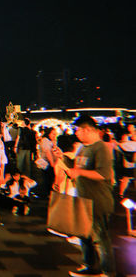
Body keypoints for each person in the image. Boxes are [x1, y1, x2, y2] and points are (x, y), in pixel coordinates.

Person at [67, 115, 115, 277]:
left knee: (101, 237)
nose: (77, 133)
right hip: (83, 198)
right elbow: (76, 170)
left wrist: (79, 171)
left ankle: (108, 271)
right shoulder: (83, 148)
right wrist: (61, 157)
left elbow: (103, 174)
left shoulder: (101, 148)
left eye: (78, 130)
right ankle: (89, 266)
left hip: (98, 200)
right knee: (85, 235)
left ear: (87, 129)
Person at [38, 127, 59, 197]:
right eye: (53, 134)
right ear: (48, 134)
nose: (54, 136)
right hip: (47, 163)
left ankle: (48, 193)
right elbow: (48, 152)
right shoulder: (45, 140)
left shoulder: (50, 141)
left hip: (50, 163)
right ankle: (47, 194)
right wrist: (52, 163)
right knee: (47, 179)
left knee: (49, 178)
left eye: (55, 134)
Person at [117, 129, 135, 198]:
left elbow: (118, 147)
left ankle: (121, 193)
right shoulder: (134, 144)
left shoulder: (122, 145)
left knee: (125, 179)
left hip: (127, 165)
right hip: (134, 165)